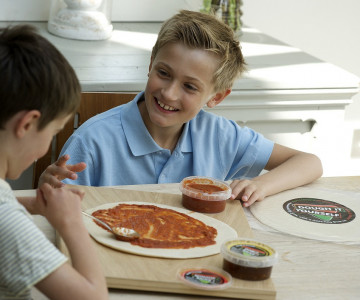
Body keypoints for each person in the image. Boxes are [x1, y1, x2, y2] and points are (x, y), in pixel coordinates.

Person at [40, 10, 323, 207]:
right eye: (163, 73)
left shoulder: (222, 136)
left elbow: (310, 163)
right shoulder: (92, 141)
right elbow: (60, 209)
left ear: (217, 98)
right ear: (151, 63)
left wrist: (260, 186)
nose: (169, 93)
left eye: (190, 87)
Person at [0, 25, 108, 299]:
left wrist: (31, 205)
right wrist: (71, 223)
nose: (47, 145)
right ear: (28, 123)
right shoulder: (7, 223)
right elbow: (94, 297)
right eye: (53, 132)